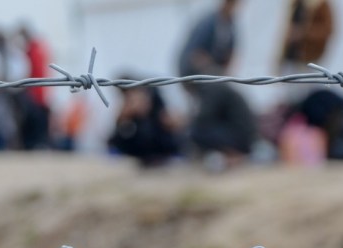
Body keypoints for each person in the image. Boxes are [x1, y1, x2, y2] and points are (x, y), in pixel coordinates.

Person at [177, 0, 256, 169]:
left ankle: (228, 154)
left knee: (198, 127)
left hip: (215, 82)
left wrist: (220, 75)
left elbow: (230, 55)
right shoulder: (209, 23)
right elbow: (195, 54)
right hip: (202, 79)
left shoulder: (230, 26)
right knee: (203, 122)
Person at [108, 82, 180, 167]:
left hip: (162, 159)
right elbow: (118, 144)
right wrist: (123, 119)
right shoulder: (129, 117)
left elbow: (170, 145)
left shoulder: (160, 115)